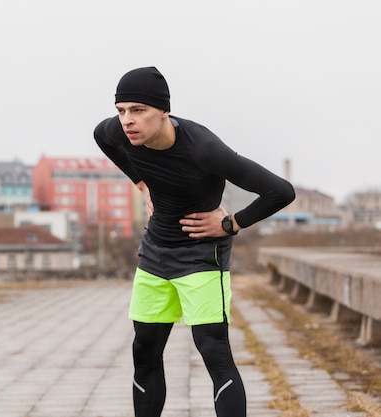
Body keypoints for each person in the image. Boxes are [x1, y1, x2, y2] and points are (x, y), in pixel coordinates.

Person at [93, 66, 295, 417]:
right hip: (154, 254)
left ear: (164, 112)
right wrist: (141, 183)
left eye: (138, 110)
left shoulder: (203, 149)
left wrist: (231, 223)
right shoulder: (120, 132)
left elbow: (280, 191)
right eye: (121, 110)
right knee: (144, 353)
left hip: (202, 258)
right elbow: (101, 136)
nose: (127, 120)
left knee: (214, 353)